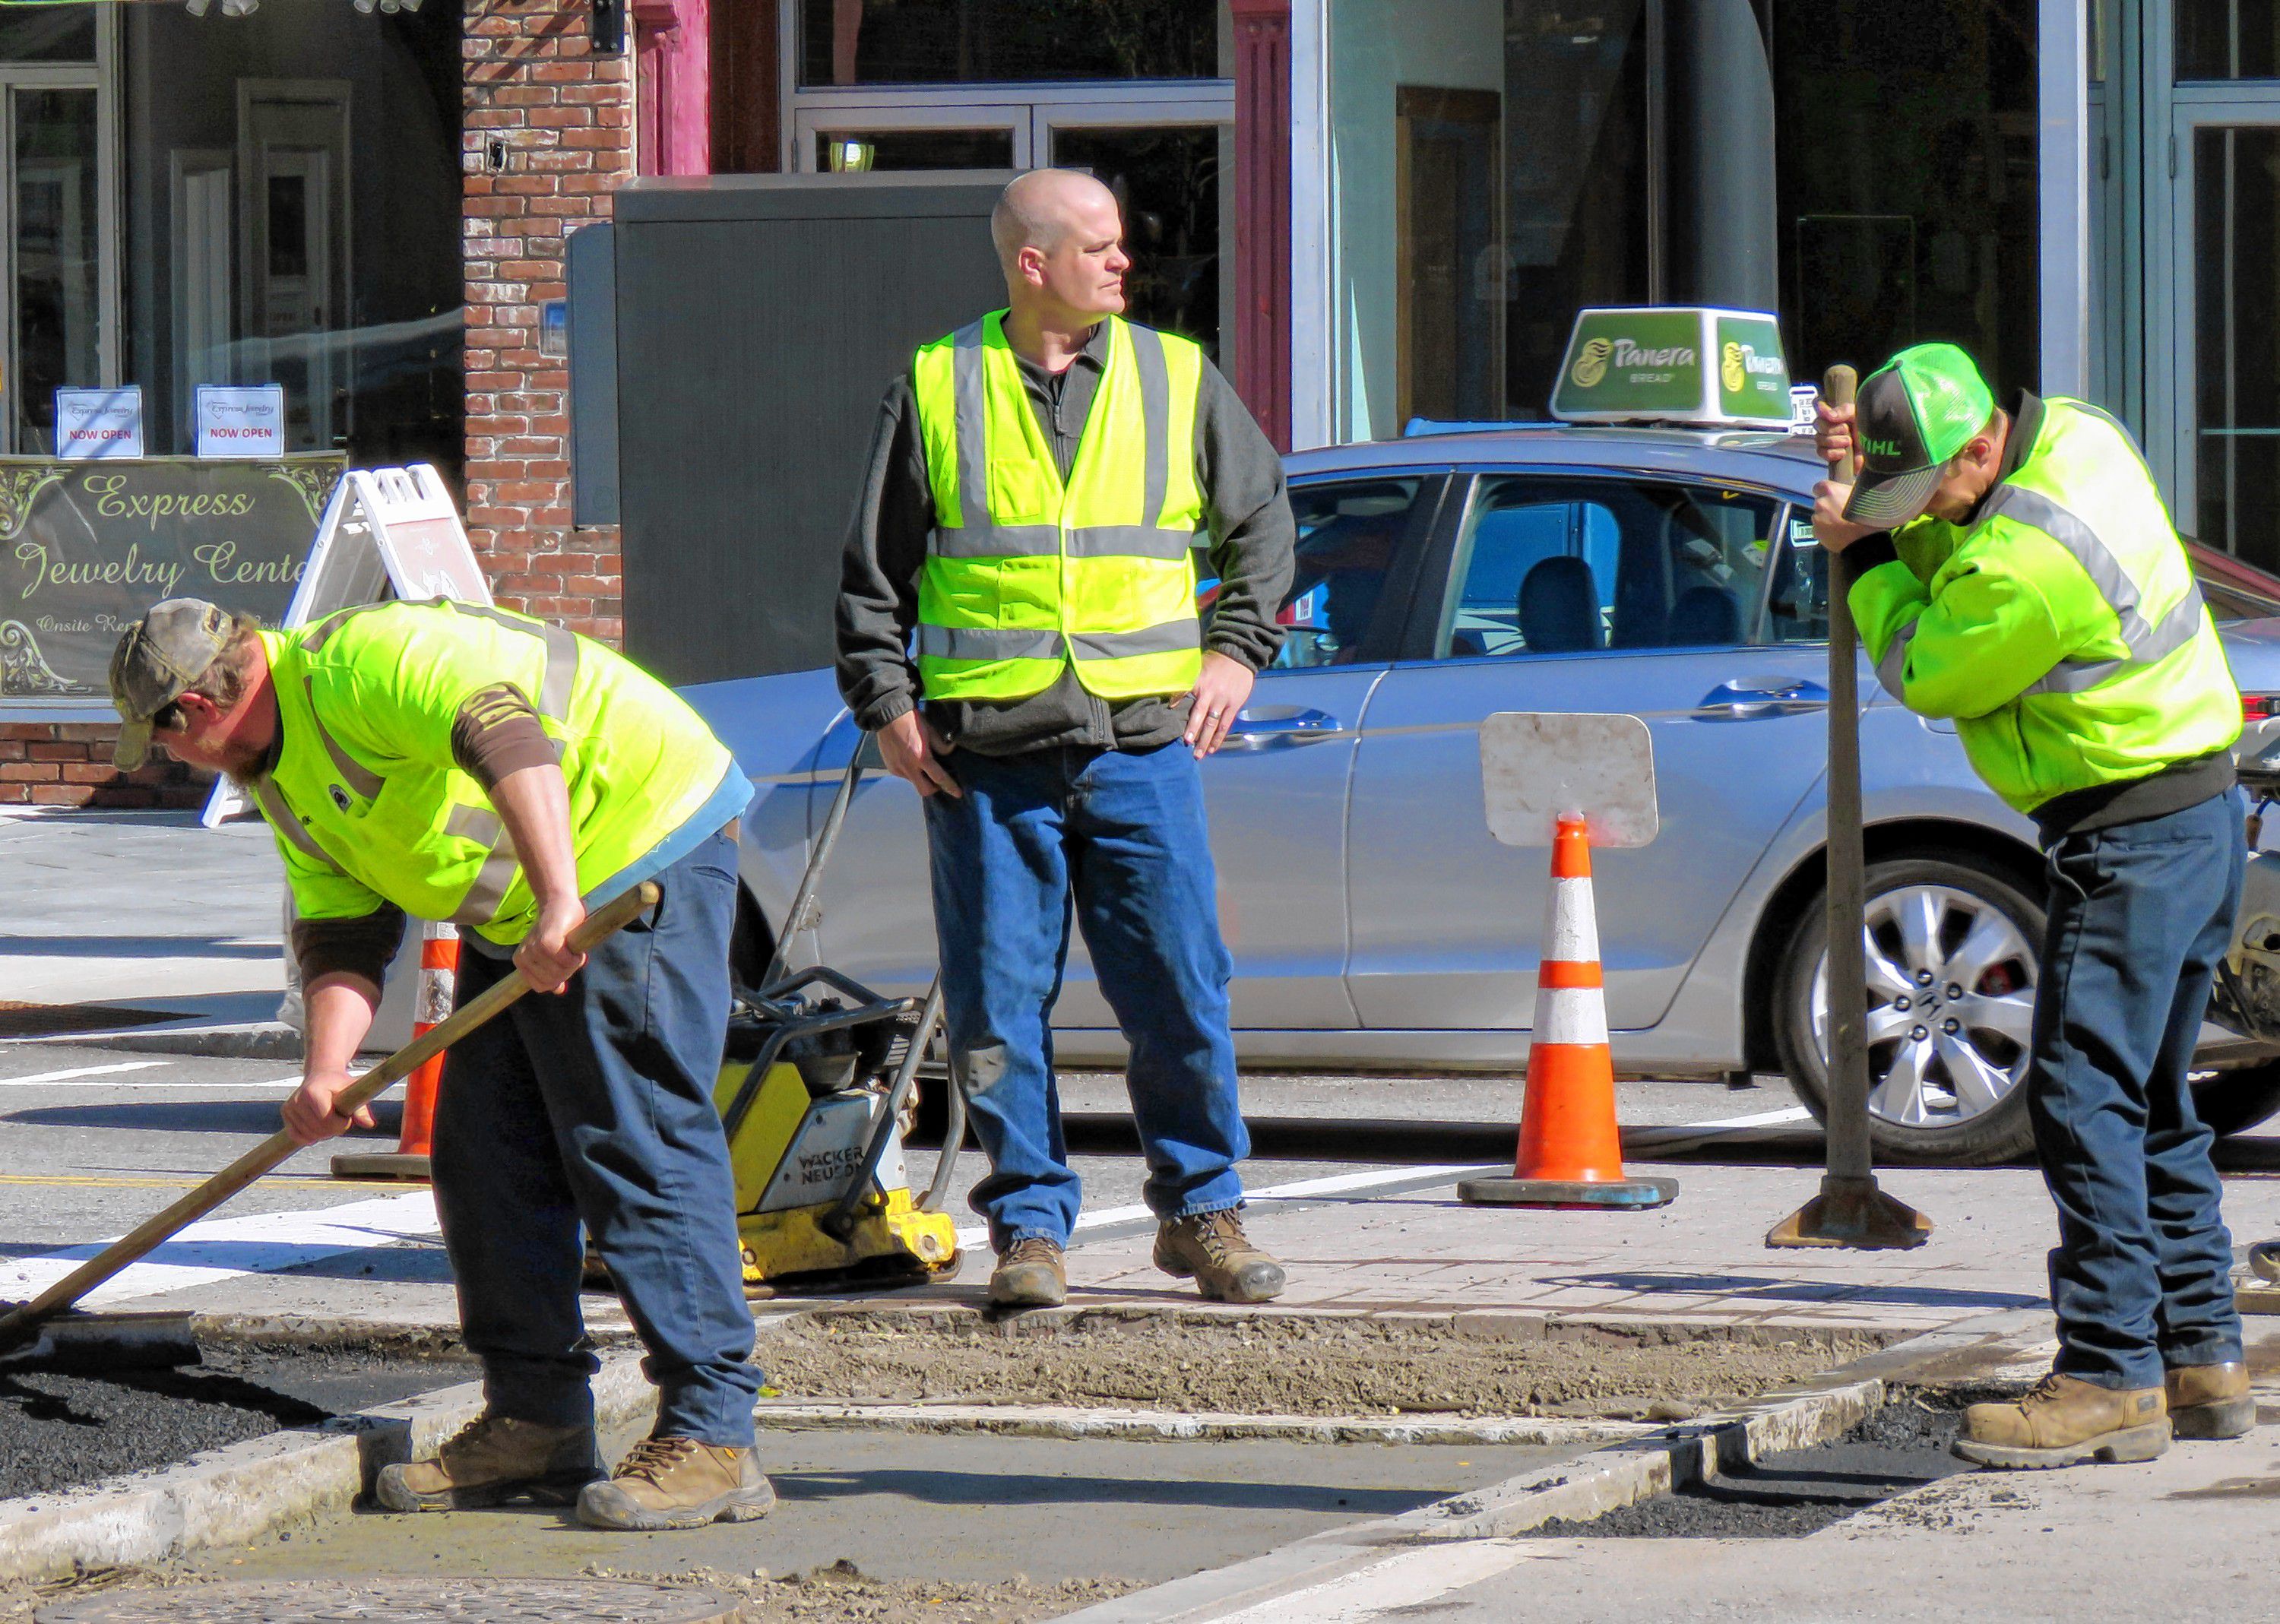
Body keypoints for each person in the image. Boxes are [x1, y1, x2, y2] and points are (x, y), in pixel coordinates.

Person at [107, 596, 769, 1530]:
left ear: (199, 711)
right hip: (532, 899)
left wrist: (556, 903)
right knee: (486, 1154)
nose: (168, 760)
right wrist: (327, 1072)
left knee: (634, 1139)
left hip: (636, 838)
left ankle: (715, 1436)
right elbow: (346, 927)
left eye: (162, 741)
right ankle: (536, 1420)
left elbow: (510, 738)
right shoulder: (281, 779)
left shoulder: (364, 662)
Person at [836, 169, 1297, 1309]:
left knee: (1183, 989)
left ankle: (1203, 1212)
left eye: (1120, 244)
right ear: (1030, 263)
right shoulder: (940, 383)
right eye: (1096, 245)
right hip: (987, 761)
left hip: (1143, 750)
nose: (1122, 261)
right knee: (999, 1008)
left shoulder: (1173, 375)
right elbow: (872, 575)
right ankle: (1030, 1231)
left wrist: (1239, 650)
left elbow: (1264, 524)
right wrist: (886, 707)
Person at [1813, 344, 2251, 1468]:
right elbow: (1957, 539)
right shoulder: (2080, 437)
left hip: (2130, 832)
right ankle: (2200, 1350)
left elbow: (1926, 665)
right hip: (2190, 815)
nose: (1927, 511)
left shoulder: (2028, 563)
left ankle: (2109, 1371)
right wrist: (1885, 506)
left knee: (2075, 1093)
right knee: (2148, 1094)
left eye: (1932, 488)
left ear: (1977, 448)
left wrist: (1863, 552)